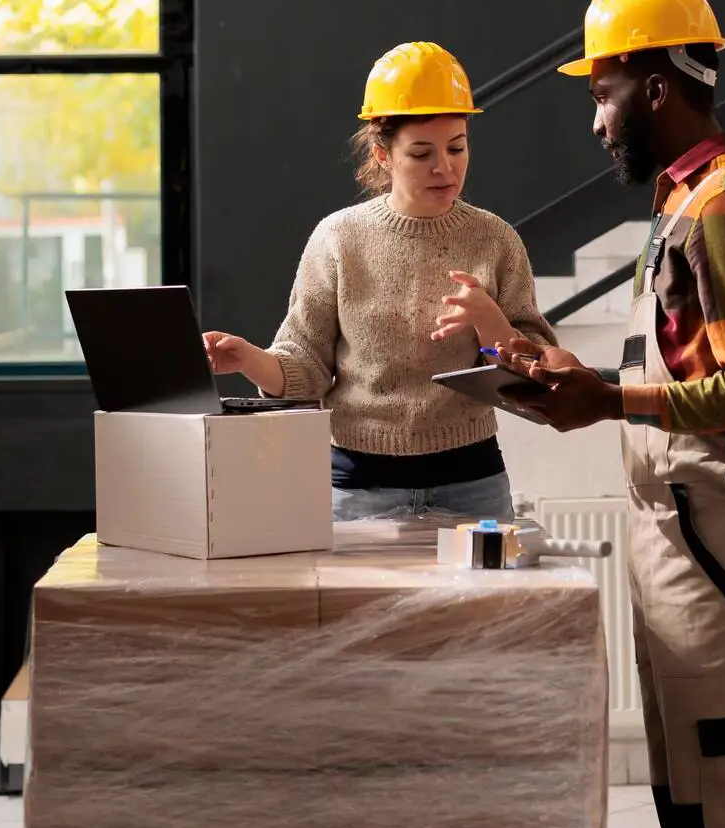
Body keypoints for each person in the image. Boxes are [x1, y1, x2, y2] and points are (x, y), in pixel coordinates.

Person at [498, 0, 725, 828]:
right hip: (678, 527)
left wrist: (608, 400)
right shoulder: (683, 204)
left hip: (723, 531)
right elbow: (681, 368)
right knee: (688, 792)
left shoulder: (723, 209)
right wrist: (557, 377)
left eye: (604, 91)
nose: (598, 120)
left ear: (659, 88)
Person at [203, 41, 555, 521]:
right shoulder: (339, 238)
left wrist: (491, 321)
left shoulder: (495, 239)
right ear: (382, 154)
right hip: (359, 488)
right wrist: (249, 359)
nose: (445, 167)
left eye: (457, 146)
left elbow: (536, 370)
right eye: (421, 153)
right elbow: (305, 370)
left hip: (472, 483)